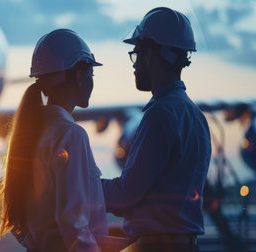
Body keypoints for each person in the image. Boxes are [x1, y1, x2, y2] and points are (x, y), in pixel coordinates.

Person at [101, 7, 211, 252]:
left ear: (153, 52)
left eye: (137, 53)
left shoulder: (160, 114)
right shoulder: (195, 116)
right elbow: (158, 195)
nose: (135, 64)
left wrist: (79, 185)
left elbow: (128, 191)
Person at [0, 29, 108, 251]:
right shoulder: (71, 135)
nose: (92, 81)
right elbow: (73, 224)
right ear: (78, 75)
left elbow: (19, 219)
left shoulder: (32, 133)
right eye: (90, 74)